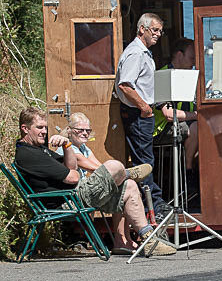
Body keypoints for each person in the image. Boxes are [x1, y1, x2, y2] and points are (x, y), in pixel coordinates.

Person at [14, 107, 174, 255]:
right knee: (113, 165)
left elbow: (72, 166)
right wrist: (111, 174)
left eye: (45, 127)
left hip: (75, 194)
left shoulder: (40, 149)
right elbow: (74, 177)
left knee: (130, 186)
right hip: (68, 199)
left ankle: (149, 239)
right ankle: (126, 173)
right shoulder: (29, 155)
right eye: (39, 127)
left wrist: (66, 144)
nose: (44, 131)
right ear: (25, 128)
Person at [114, 13, 169, 221]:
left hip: (143, 112)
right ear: (142, 29)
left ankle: (152, 204)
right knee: (144, 161)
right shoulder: (136, 53)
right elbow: (125, 85)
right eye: (154, 30)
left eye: (160, 31)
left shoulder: (144, 52)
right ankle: (153, 206)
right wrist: (145, 107)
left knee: (146, 159)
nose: (158, 35)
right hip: (138, 113)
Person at [153, 38, 199, 182]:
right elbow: (168, 114)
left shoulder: (188, 76)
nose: (194, 63)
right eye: (192, 58)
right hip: (160, 129)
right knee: (198, 127)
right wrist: (197, 115)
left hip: (182, 123)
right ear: (179, 55)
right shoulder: (162, 76)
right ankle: (189, 171)